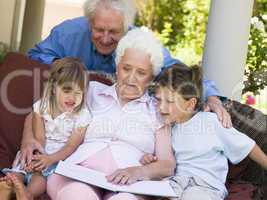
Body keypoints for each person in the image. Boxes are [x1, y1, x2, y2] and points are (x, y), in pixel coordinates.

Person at [46, 28, 176, 200]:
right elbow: (42, 111)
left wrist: (139, 171)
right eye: (126, 68)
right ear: (117, 67)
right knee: (78, 194)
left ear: (151, 77)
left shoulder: (157, 110)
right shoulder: (90, 91)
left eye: (141, 73)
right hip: (77, 174)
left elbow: (167, 164)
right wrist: (30, 140)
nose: (131, 78)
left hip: (129, 186)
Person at [142, 64, 267, 200]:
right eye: (158, 99)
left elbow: (247, 146)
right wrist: (150, 159)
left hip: (206, 187)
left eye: (170, 101)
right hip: (176, 185)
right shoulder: (166, 129)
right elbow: (163, 159)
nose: (161, 107)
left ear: (190, 104)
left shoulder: (210, 122)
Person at [0, 57, 91, 200]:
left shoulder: (82, 116)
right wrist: (36, 158)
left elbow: (70, 147)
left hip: (58, 157)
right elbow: (39, 138)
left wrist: (49, 160)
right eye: (67, 90)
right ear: (54, 87)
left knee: (40, 178)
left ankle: (28, 194)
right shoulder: (42, 107)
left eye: (78, 92)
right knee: (19, 169)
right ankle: (9, 186)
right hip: (39, 151)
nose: (72, 98)